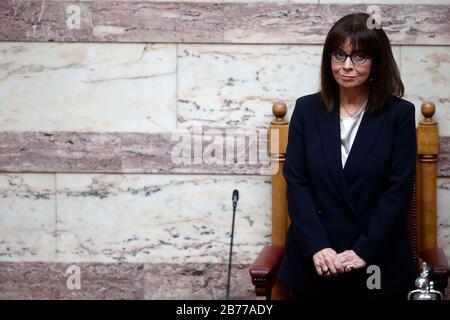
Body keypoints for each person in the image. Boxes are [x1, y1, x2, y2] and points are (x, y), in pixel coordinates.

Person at [277, 12, 416, 300]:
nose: (347, 66)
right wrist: (317, 246)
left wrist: (365, 251)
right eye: (339, 55)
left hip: (377, 260)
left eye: (359, 57)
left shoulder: (399, 114)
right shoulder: (306, 110)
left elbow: (398, 191)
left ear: (377, 61)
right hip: (316, 258)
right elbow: (297, 183)